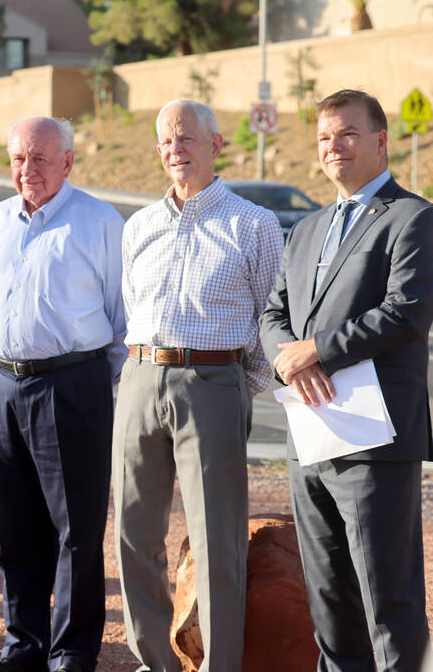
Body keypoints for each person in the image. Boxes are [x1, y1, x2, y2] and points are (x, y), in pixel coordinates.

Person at [260, 89, 433, 671]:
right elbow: (272, 313)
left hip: (374, 438)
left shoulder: (413, 217)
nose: (334, 147)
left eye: (348, 134)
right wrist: (288, 356)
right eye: (324, 138)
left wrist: (318, 352)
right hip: (309, 436)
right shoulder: (307, 228)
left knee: (389, 598)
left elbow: (406, 311)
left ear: (381, 141)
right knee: (329, 600)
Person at [114, 100, 282, 672]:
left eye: (186, 139)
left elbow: (271, 320)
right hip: (139, 379)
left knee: (216, 541)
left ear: (215, 145)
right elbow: (131, 310)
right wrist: (139, 376)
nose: (174, 150)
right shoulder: (138, 226)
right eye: (165, 142)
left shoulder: (254, 225)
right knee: (133, 535)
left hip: (211, 381)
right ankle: (154, 660)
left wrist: (233, 384)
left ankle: (219, 666)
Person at [0, 118, 125, 672]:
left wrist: (97, 391)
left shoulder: (99, 221)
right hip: (0, 385)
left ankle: (73, 649)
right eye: (17, 158)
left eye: (39, 158)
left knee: (75, 529)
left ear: (68, 161)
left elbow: (122, 321)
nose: (26, 170)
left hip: (71, 385)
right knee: (13, 529)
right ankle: (24, 646)